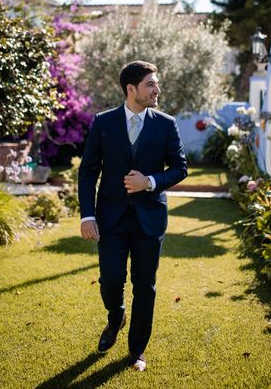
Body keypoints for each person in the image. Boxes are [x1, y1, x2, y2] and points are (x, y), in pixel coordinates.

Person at [78, 60, 188, 372]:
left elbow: (180, 168)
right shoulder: (103, 122)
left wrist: (149, 182)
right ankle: (116, 316)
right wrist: (87, 215)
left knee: (145, 286)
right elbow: (88, 173)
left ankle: (137, 351)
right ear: (131, 89)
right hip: (110, 218)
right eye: (151, 84)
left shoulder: (166, 124)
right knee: (111, 280)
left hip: (149, 219)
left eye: (156, 83)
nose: (157, 89)